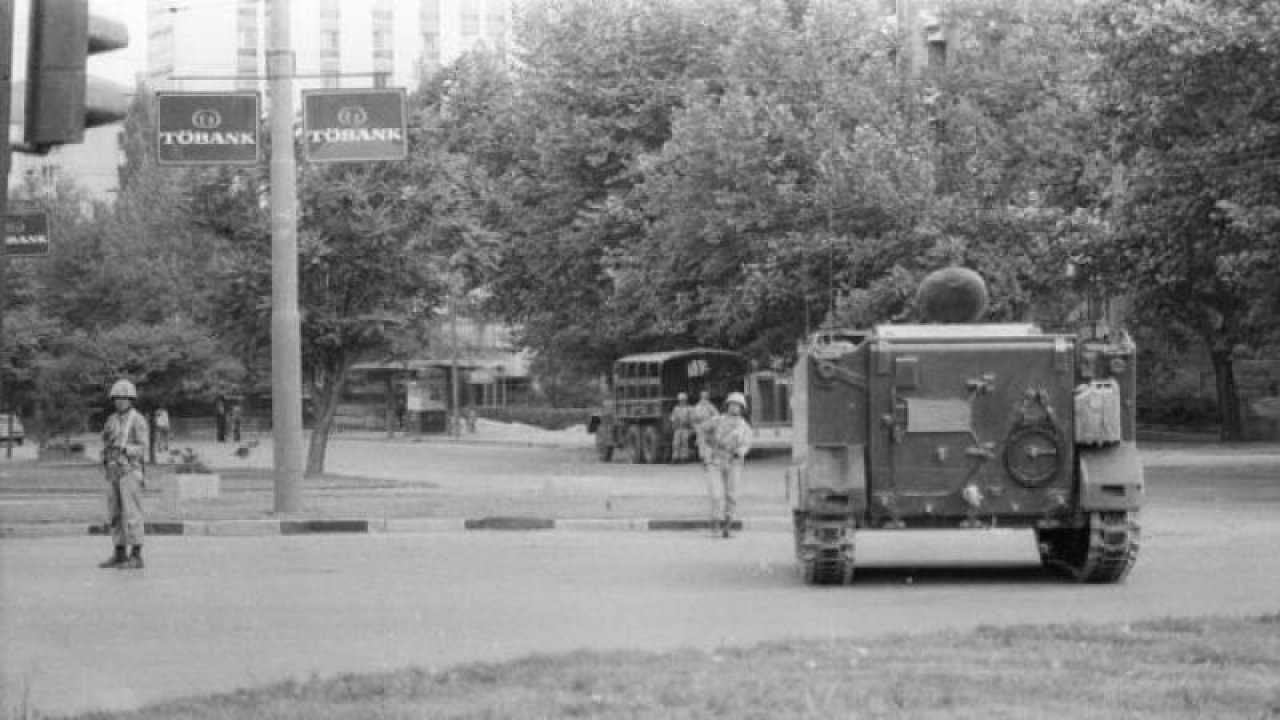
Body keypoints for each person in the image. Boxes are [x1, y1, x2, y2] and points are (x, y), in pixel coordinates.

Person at [100, 379, 150, 570]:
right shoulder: (111, 420)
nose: (120, 401)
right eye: (117, 398)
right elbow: (105, 440)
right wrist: (106, 455)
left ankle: (136, 555)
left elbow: (143, 447)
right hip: (113, 470)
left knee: (132, 513)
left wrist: (125, 449)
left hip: (130, 470)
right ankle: (119, 552)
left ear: (131, 399)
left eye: (124, 398)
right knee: (114, 512)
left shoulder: (137, 420)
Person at [706, 391, 752, 538]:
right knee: (716, 495)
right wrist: (706, 448)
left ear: (742, 408)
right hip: (716, 461)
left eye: (738, 406)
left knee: (732, 495)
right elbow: (702, 431)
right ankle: (715, 525)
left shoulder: (744, 427)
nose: (735, 408)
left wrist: (740, 451)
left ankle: (727, 526)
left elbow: (746, 444)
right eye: (732, 404)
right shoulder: (717, 420)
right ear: (727, 405)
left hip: (734, 463)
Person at [690, 390, 719, 464]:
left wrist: (712, 423)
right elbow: (693, 418)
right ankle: (703, 459)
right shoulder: (697, 407)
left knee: (711, 443)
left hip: (710, 426)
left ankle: (712, 458)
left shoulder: (711, 406)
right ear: (700, 397)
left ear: (708, 397)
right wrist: (696, 427)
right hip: (700, 427)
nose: (704, 398)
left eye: (706, 396)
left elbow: (717, 415)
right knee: (702, 443)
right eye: (703, 396)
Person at [669, 392, 695, 463]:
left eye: (683, 400)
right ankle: (675, 458)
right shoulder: (676, 408)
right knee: (676, 443)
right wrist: (673, 426)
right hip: (678, 428)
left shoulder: (689, 408)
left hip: (686, 428)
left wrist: (692, 429)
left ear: (686, 400)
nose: (682, 401)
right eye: (681, 400)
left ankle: (684, 458)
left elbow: (692, 419)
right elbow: (673, 418)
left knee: (684, 443)